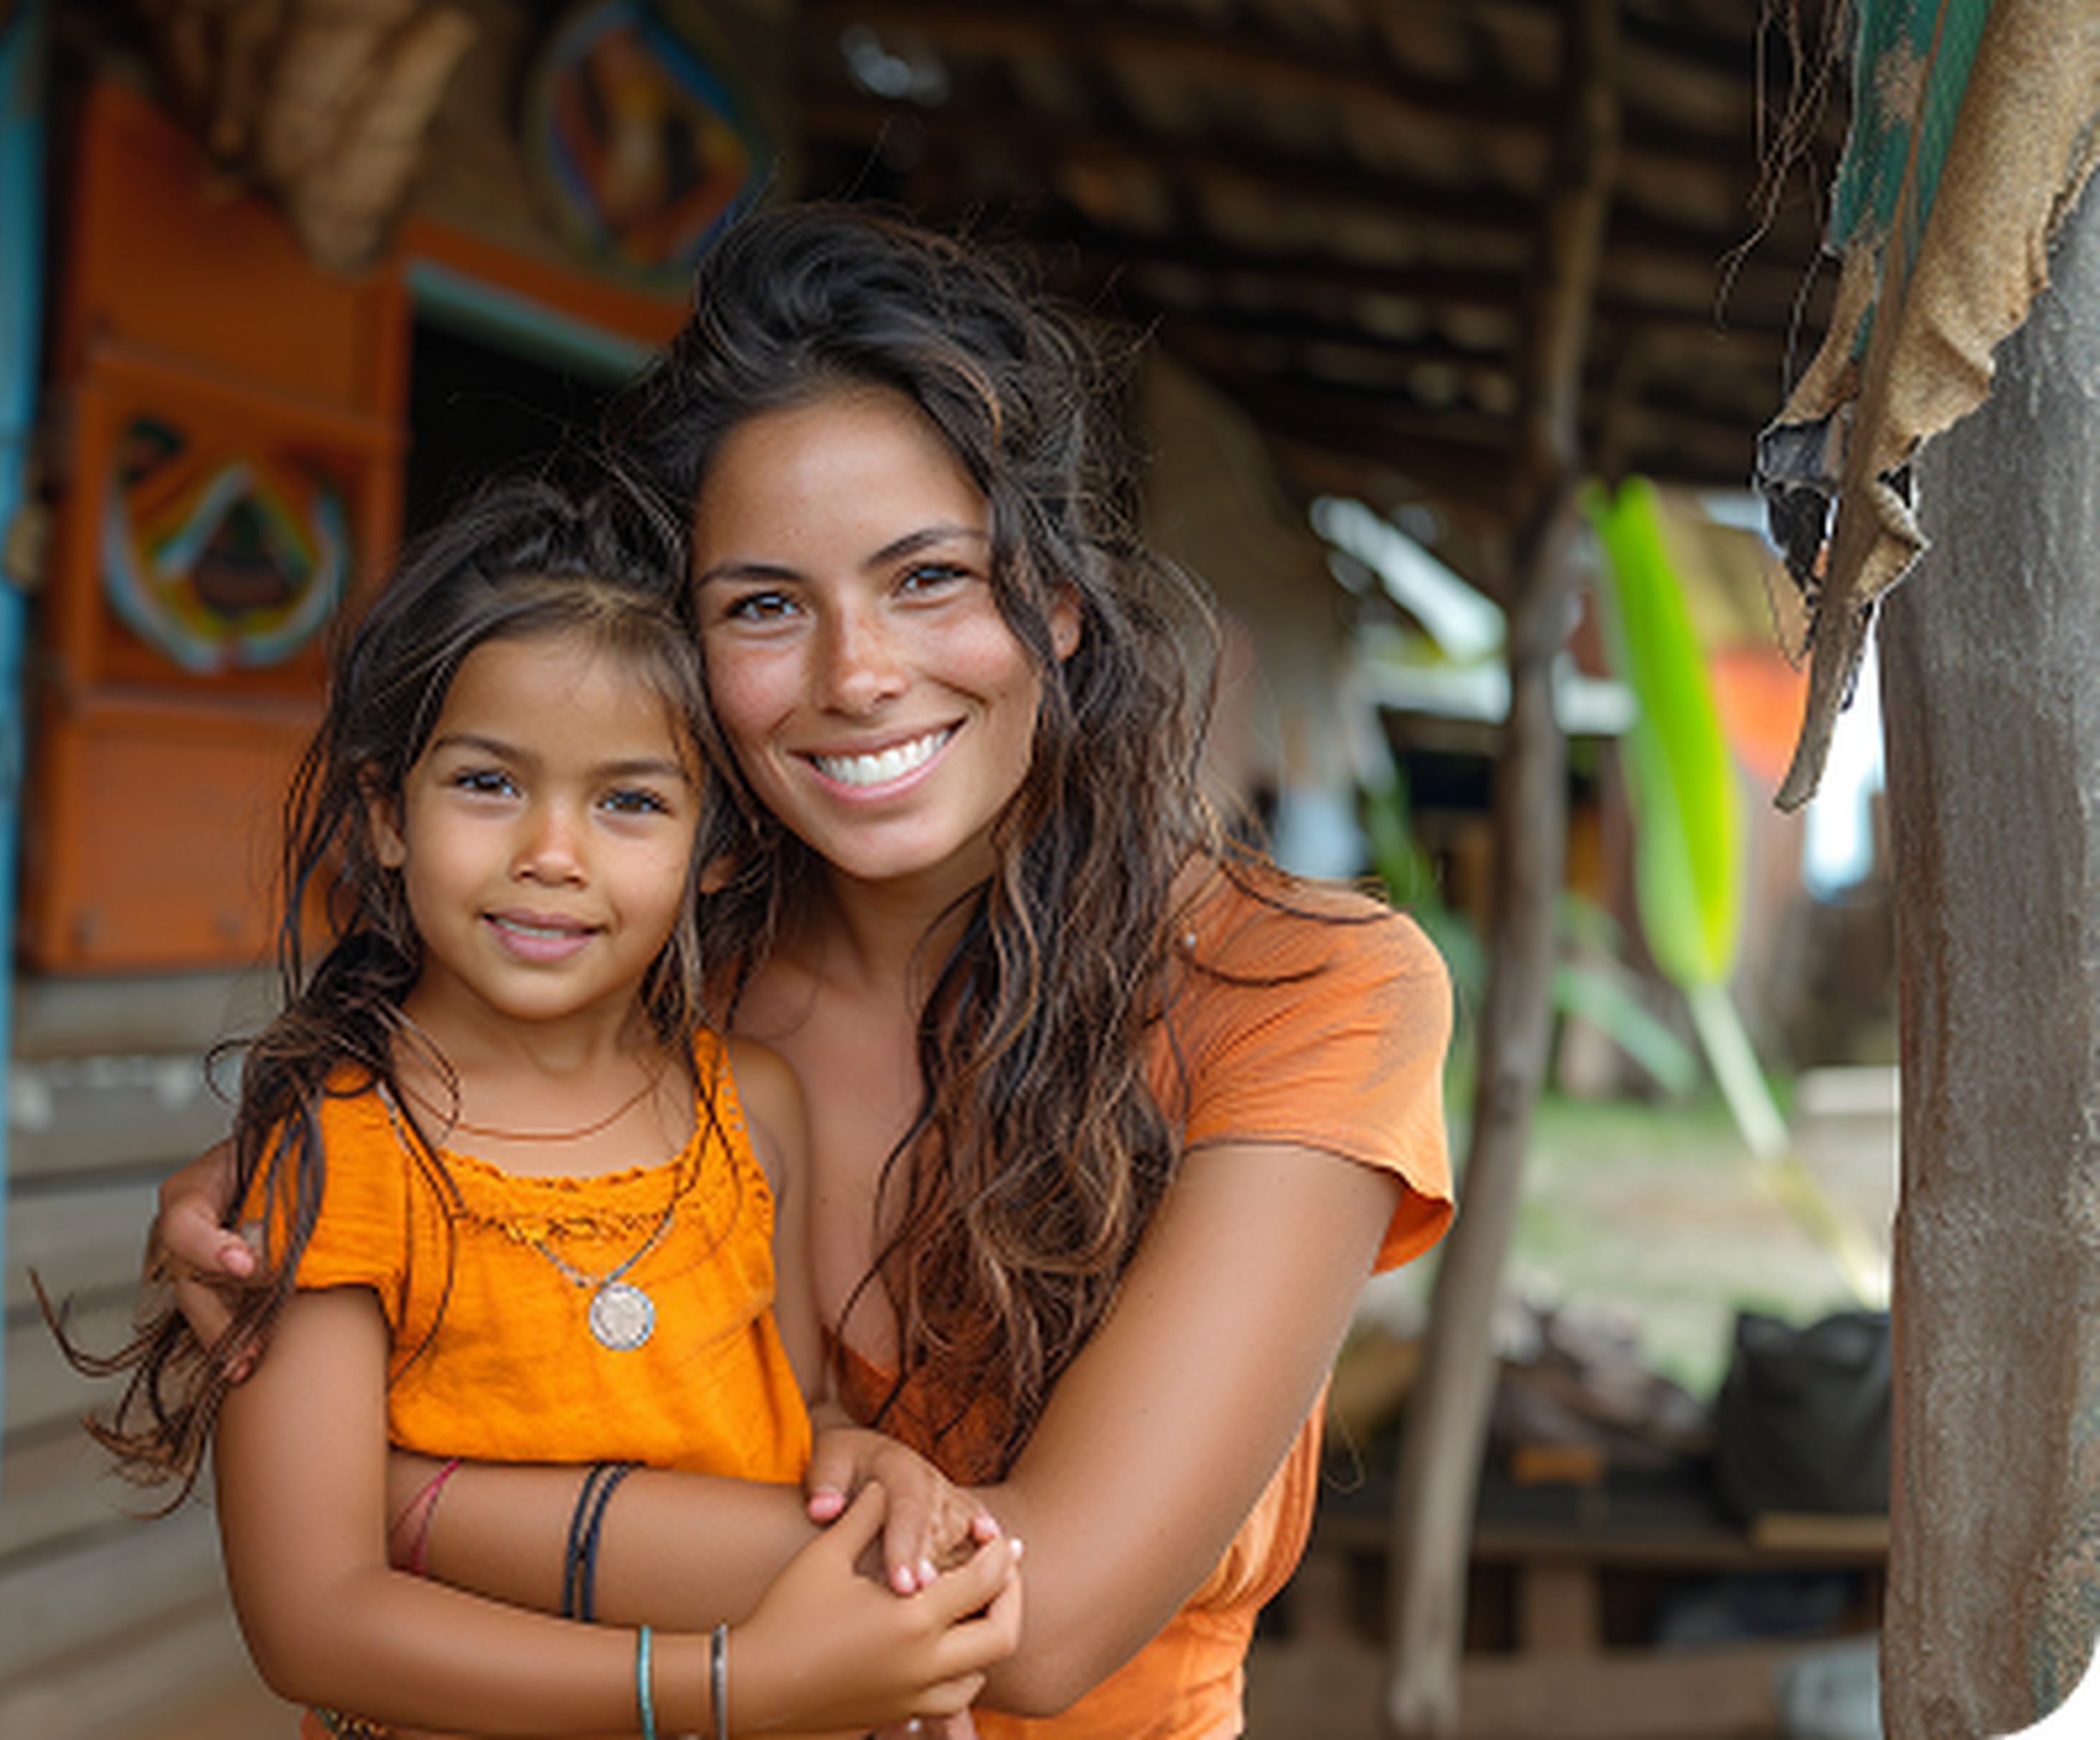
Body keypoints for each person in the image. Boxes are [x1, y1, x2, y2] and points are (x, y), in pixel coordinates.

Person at [153, 202, 1457, 1739]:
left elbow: (1032, 1621)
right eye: (764, 605)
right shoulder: (632, 969)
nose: (856, 677)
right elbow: (355, 1195)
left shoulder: (1300, 989)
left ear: (1052, 600)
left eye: (928, 580)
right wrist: (258, 1176)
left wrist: (401, 1503)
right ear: (685, 652)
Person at [58, 473, 1024, 1740]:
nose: (551, 852)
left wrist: (866, 1463)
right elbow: (314, 1616)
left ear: (715, 849)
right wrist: (733, 1684)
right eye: (488, 783)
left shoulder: (752, 1109)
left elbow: (801, 1410)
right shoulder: (334, 1159)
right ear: (382, 815)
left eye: (630, 800)